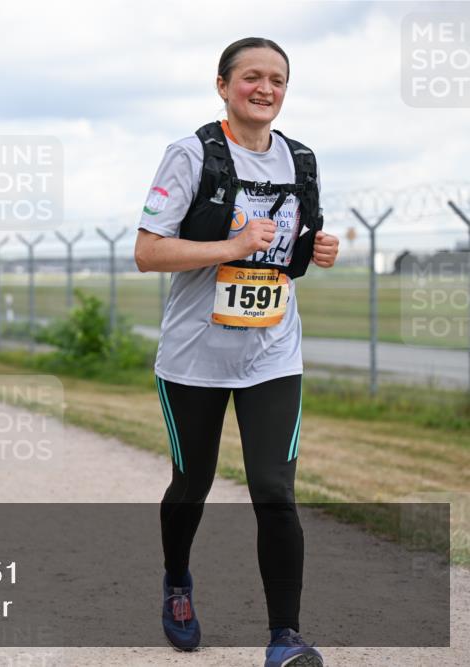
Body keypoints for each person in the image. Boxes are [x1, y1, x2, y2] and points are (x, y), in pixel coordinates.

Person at [133, 38, 339, 667]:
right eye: (252, 77)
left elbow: (286, 257)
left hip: (273, 353)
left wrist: (317, 252)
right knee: (191, 483)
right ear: (223, 85)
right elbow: (148, 251)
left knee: (275, 489)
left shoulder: (300, 160)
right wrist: (230, 244)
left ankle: (285, 636)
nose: (265, 88)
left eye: (277, 79)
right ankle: (177, 585)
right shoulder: (191, 154)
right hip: (195, 356)